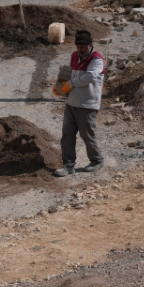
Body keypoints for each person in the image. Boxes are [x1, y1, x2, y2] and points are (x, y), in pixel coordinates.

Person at [54, 30, 106, 177]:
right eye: (78, 47)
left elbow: (90, 76)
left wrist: (71, 83)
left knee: (87, 134)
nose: (79, 50)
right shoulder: (74, 56)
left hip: (87, 104)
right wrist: (60, 86)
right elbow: (70, 72)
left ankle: (97, 160)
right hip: (71, 103)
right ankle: (68, 165)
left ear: (90, 45)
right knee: (67, 134)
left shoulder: (97, 59)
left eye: (82, 47)